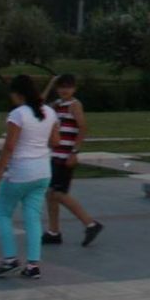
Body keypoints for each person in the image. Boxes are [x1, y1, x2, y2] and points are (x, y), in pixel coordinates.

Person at [0, 73, 56, 279]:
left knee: (2, 212)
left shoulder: (18, 114)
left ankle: (10, 259)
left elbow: (10, 146)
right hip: (43, 171)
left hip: (20, 172)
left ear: (17, 94)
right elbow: (55, 140)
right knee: (33, 217)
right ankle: (33, 265)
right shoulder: (49, 112)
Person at [41, 73, 103, 248]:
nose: (64, 90)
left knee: (59, 193)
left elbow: (82, 127)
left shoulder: (74, 105)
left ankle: (90, 224)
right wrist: (50, 82)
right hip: (55, 155)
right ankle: (54, 231)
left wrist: (74, 152)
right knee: (50, 194)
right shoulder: (57, 105)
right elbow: (38, 105)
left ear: (74, 89)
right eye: (61, 87)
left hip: (66, 156)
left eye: (68, 87)